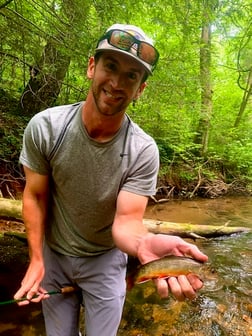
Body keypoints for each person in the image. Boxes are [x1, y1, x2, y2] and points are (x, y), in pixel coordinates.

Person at [14, 23, 208, 336]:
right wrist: (36, 259)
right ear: (92, 67)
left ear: (140, 89)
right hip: (54, 255)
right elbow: (35, 196)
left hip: (105, 261)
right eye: (111, 66)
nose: (117, 82)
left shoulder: (142, 150)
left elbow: (127, 221)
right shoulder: (46, 127)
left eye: (132, 76)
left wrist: (144, 243)